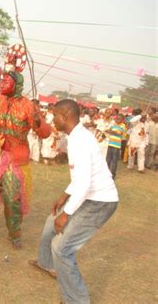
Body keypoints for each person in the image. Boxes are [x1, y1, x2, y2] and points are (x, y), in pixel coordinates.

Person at [29, 99, 118, 304]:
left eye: (55, 115)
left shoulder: (80, 140)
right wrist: (64, 195)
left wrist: (67, 213)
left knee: (62, 249)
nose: (52, 118)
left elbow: (85, 183)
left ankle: (76, 300)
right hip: (90, 196)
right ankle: (46, 264)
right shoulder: (76, 136)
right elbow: (81, 177)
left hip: (100, 202)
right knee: (52, 221)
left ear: (65, 116)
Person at [0, 67, 51, 248]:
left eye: (6, 82)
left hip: (15, 158)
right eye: (2, 81)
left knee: (12, 198)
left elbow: (45, 133)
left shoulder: (28, 106)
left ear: (16, 85)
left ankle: (14, 234)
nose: (2, 84)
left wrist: (38, 122)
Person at [105, 114, 126, 179]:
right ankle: (106, 173)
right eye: (116, 118)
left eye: (119, 119)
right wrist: (111, 131)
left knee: (114, 161)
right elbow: (107, 130)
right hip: (110, 144)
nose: (117, 120)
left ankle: (113, 175)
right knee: (108, 160)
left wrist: (111, 131)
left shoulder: (123, 126)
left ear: (122, 120)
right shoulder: (114, 124)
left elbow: (118, 133)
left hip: (116, 146)